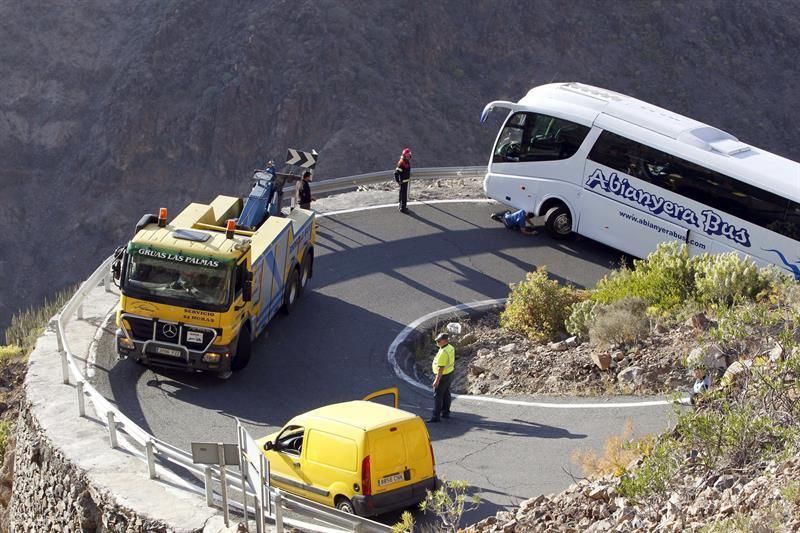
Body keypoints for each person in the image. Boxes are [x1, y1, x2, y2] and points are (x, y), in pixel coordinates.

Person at [429, 332, 455, 423]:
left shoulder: (443, 352)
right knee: (446, 393)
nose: (437, 342)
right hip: (450, 373)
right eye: (437, 340)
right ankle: (445, 412)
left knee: (438, 396)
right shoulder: (450, 347)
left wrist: (436, 381)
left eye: (439, 341)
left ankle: (436, 416)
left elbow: (441, 368)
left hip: (443, 376)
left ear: (445, 341)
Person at [394, 147, 412, 213]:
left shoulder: (406, 161)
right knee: (403, 195)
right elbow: (396, 173)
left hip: (405, 181)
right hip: (403, 182)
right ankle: (403, 208)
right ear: (404, 155)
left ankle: (401, 205)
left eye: (409, 155)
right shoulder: (402, 163)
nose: (408, 156)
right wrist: (398, 181)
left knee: (402, 193)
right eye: (407, 155)